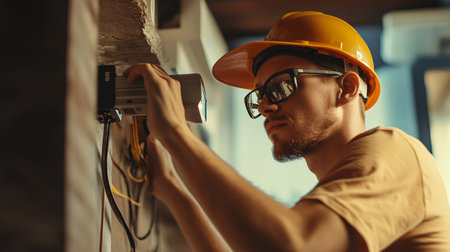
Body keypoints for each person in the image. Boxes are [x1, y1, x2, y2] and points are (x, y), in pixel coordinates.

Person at [125, 11, 450, 252]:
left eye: (282, 86)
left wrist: (176, 134)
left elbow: (293, 245)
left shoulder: (396, 151)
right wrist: (171, 188)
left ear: (347, 87)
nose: (265, 106)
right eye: (260, 94)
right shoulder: (332, 217)